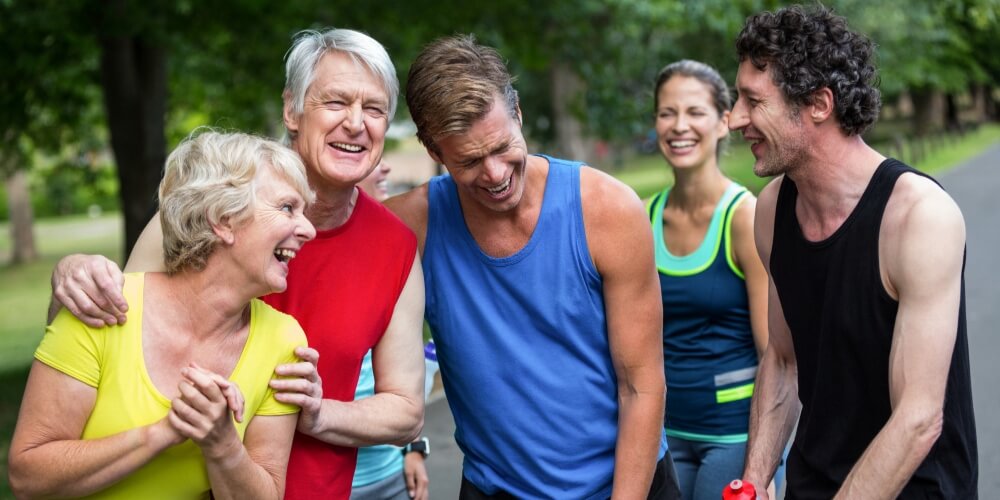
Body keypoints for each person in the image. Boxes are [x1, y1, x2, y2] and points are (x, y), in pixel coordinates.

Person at [47, 28, 426, 499]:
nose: (356, 123)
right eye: (336, 103)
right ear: (292, 110)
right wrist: (74, 276)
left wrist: (320, 412)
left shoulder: (394, 247)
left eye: (374, 110)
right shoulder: (213, 209)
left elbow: (406, 409)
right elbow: (108, 324)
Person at [385, 35, 678, 499]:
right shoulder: (409, 227)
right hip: (495, 488)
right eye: (470, 160)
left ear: (517, 113)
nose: (496, 174)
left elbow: (641, 387)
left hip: (626, 485)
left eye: (503, 146)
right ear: (433, 150)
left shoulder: (607, 210)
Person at [729, 5, 978, 498]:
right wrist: (753, 484)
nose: (735, 119)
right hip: (813, 482)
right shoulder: (772, 209)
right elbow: (782, 359)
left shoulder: (918, 216)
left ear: (819, 104)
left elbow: (918, 418)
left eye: (753, 101)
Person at [8, 131, 316, 498]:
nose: (308, 230)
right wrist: (164, 432)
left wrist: (223, 445)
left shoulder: (283, 341)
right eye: (287, 208)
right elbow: (28, 477)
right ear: (223, 219)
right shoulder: (103, 306)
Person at [646, 60, 782, 500]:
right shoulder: (640, 217)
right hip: (660, 436)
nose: (679, 126)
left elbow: (776, 354)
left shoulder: (745, 217)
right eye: (667, 113)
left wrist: (768, 464)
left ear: (724, 122)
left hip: (731, 438)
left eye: (695, 112)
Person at [350, 166, 431, 500]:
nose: (383, 166)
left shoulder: (392, 246)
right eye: (370, 162)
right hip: (328, 480)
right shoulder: (287, 252)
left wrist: (413, 448)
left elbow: (400, 381)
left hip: (389, 472)